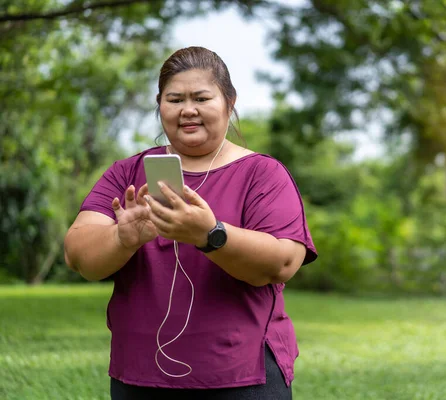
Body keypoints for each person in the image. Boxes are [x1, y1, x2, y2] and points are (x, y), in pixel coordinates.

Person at [63, 46, 317, 400]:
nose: (188, 110)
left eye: (201, 97)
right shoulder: (127, 173)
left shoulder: (263, 174)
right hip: (140, 376)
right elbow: (78, 254)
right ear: (159, 104)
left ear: (229, 102)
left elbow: (283, 262)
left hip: (242, 377)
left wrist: (210, 235)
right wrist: (122, 238)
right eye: (175, 99)